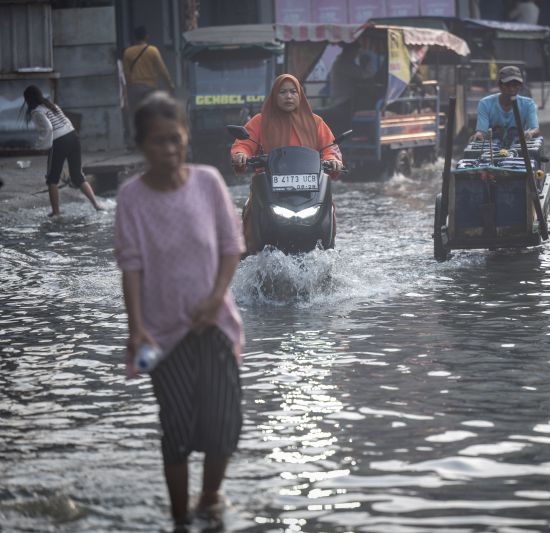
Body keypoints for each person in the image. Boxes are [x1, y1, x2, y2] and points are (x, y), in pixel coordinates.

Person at [114, 92, 245, 533]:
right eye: (158, 142)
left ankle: (209, 498)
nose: (169, 150)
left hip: (216, 324)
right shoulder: (132, 197)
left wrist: (215, 298)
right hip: (162, 334)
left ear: (187, 137)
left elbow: (232, 248)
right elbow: (131, 265)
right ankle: (178, 518)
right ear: (142, 146)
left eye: (176, 139)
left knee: (224, 419)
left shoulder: (208, 182)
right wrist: (136, 328)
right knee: (177, 426)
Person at [231, 74, 344, 253]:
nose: (288, 96)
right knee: (249, 210)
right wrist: (240, 155)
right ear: (274, 96)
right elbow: (244, 144)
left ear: (300, 95)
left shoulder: (315, 122)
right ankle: (247, 255)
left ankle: (329, 250)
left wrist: (333, 160)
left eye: (293, 92)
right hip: (269, 186)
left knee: (329, 208)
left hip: (310, 188)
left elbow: (330, 147)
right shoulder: (260, 121)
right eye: (283, 92)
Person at [22, 85, 103, 217]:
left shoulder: (36, 111)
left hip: (59, 141)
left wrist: (40, 146)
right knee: (77, 175)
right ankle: (97, 205)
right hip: (73, 136)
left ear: (28, 100)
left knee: (52, 178)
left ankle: (56, 212)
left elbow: (48, 129)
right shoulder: (52, 105)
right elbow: (67, 121)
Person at [123, 26, 174, 140]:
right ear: (146, 36)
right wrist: (170, 85)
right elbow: (162, 70)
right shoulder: (152, 50)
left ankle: (136, 141)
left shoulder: (128, 52)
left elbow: (126, 75)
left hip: (135, 88)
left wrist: (128, 90)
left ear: (134, 37)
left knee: (136, 116)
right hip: (150, 88)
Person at [472, 65, 540, 147]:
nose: (512, 89)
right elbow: (482, 131)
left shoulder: (528, 104)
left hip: (519, 148)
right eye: (507, 85)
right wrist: (479, 135)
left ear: (520, 86)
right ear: (500, 86)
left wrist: (530, 133)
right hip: (492, 150)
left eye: (515, 85)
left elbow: (535, 129)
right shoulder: (485, 103)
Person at [328, 42, 374, 107]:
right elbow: (365, 75)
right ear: (351, 51)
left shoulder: (343, 62)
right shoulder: (344, 63)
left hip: (343, 99)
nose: (356, 55)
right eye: (356, 52)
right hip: (343, 100)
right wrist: (369, 62)